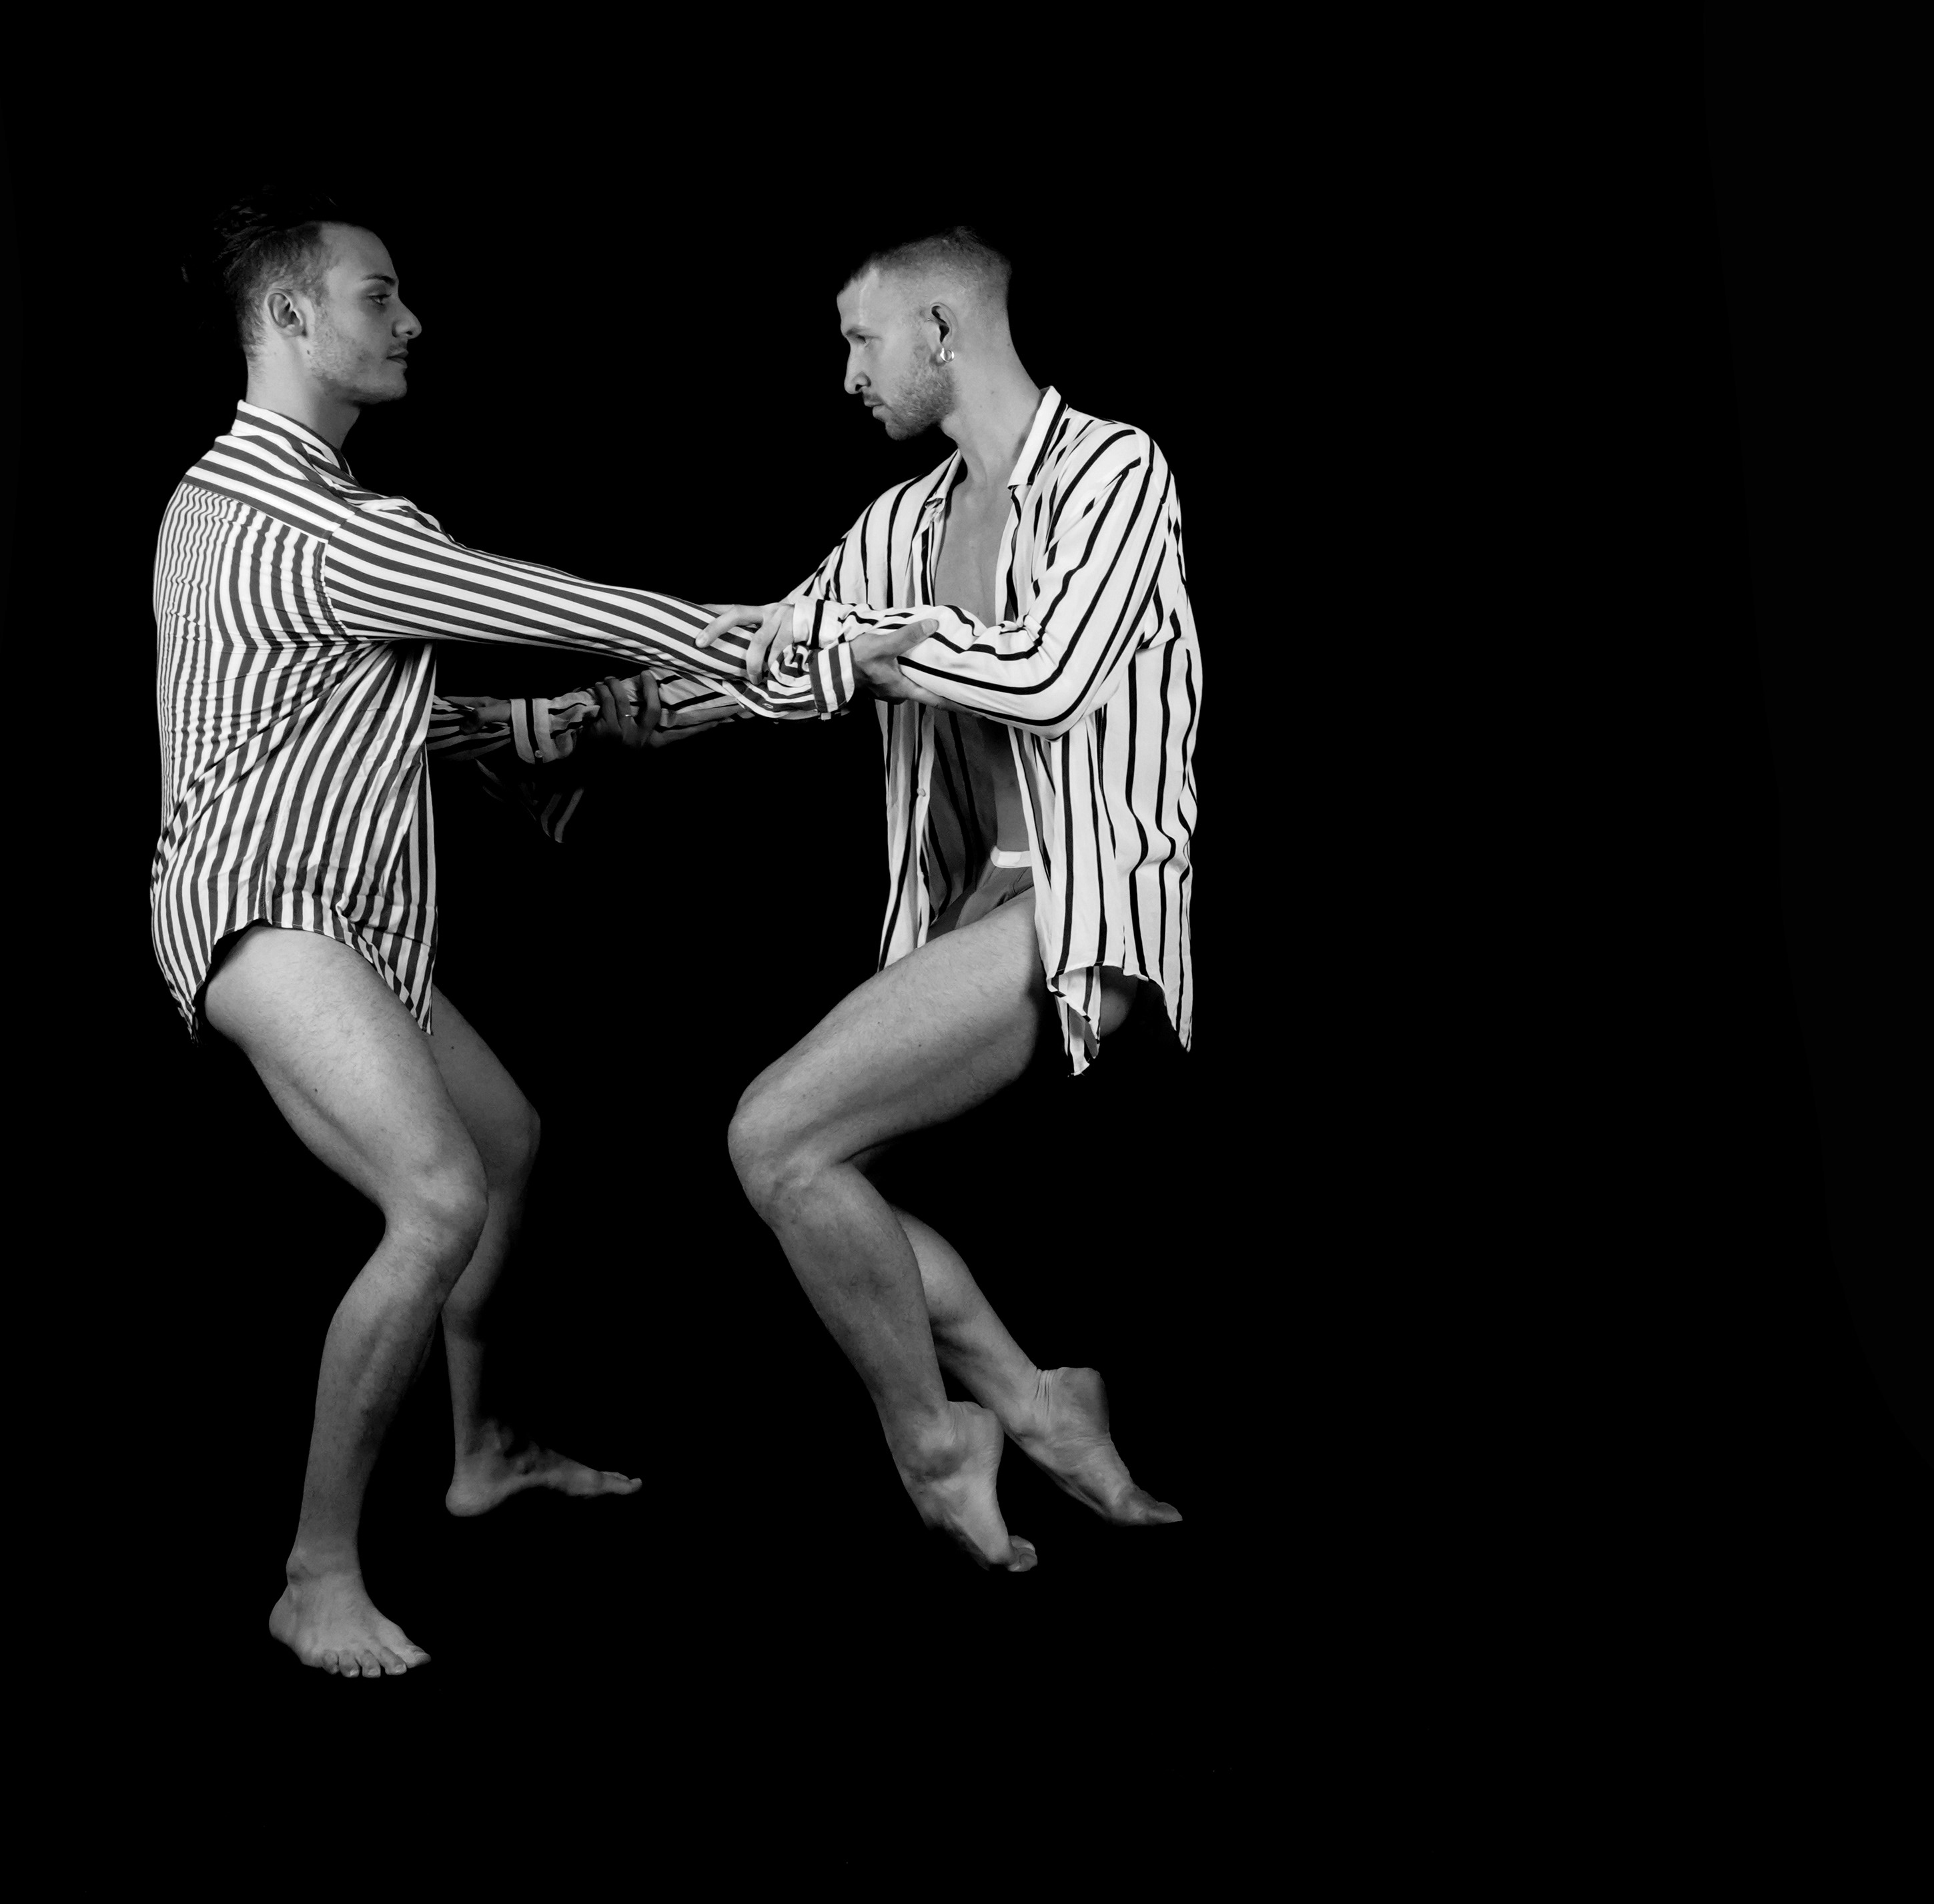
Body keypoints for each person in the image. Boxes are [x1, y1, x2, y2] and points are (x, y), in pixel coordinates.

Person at [152, 192, 918, 1677]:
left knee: (503, 1146)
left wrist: (569, 729)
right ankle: (315, 1572)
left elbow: (346, 713)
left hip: (336, 912)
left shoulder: (217, 500)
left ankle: (484, 1453)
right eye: (380, 295)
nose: (412, 320)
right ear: (291, 318)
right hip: (265, 909)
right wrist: (795, 640)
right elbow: (536, 600)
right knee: (435, 1196)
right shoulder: (313, 522)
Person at [696, 227, 1201, 1572]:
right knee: (814, 1177)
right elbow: (773, 653)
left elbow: (1048, 674)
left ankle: (935, 1440)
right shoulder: (904, 523)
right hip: (972, 912)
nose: (848, 374)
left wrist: (868, 645)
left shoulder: (1114, 468)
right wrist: (546, 727)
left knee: (775, 1133)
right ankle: (1037, 1404)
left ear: (939, 328)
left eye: (860, 340)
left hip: (1084, 907)